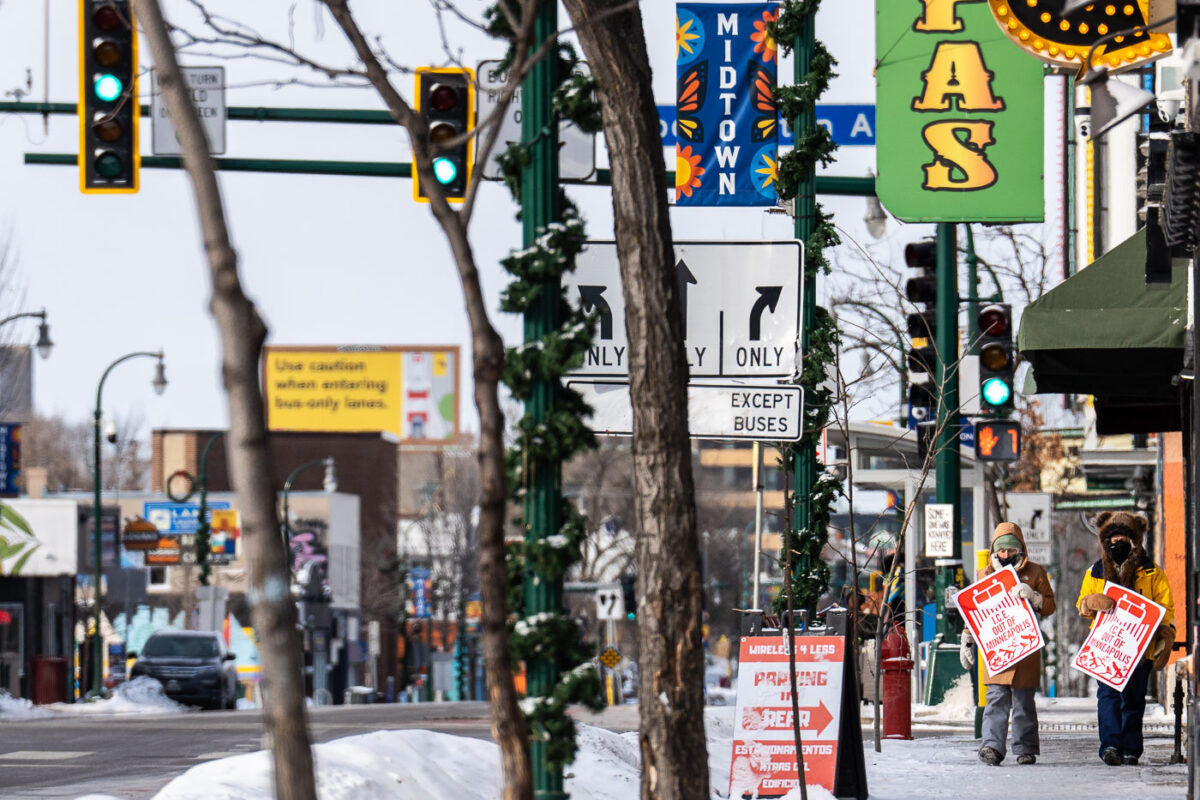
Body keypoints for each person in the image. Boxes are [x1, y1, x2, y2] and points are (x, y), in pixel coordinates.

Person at [1076, 511, 1175, 767]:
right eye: (1112, 537)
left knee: (1133, 699)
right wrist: (1091, 602)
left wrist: (1165, 636)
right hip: (1107, 649)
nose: (1117, 542)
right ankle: (1110, 745)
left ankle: (1131, 749)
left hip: (1140, 649)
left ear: (1135, 539)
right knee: (1107, 697)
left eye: (1123, 537)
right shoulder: (1095, 571)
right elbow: (1082, 605)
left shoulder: (1152, 572)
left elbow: (1165, 608)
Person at [959, 521, 1056, 766]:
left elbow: (1050, 606)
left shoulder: (1035, 572)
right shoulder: (985, 574)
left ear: (1019, 549)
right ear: (995, 550)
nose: (1005, 555)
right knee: (996, 698)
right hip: (997, 648)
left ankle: (1025, 748)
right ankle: (992, 746)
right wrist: (967, 637)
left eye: (1010, 550)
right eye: (1001, 550)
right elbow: (974, 609)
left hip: (1025, 648)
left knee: (1024, 702)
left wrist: (1034, 596)